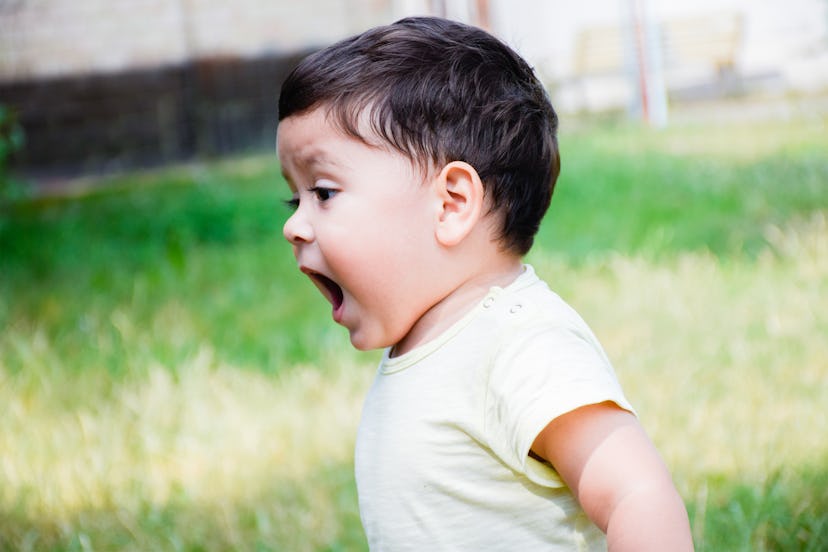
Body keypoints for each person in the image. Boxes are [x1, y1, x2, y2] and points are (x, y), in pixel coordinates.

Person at [277, 16, 693, 551]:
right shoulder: (431, 344)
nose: (294, 226)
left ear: (451, 203)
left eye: (324, 192)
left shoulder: (521, 344)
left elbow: (637, 493)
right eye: (295, 198)